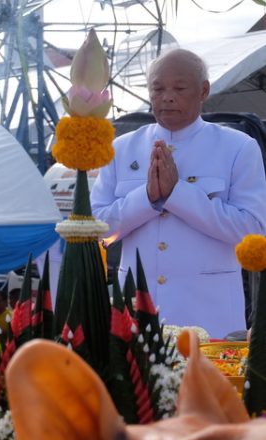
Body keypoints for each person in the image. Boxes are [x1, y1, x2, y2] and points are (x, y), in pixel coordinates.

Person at [91, 48, 266, 338]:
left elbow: (253, 231)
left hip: (209, 315)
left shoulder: (238, 147)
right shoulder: (120, 149)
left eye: (179, 88)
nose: (167, 96)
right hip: (137, 316)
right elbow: (98, 229)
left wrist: (179, 194)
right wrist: (146, 199)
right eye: (158, 88)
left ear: (204, 91)